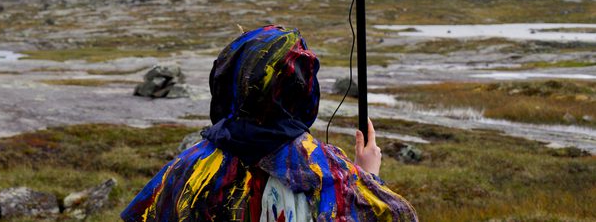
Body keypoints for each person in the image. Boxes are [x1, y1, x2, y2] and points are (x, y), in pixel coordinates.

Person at [122, 25, 417, 221]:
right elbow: (397, 216)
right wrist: (369, 178)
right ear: (303, 89)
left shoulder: (187, 168)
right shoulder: (330, 172)